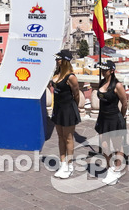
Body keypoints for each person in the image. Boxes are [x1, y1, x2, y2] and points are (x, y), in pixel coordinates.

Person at [95, 59, 128, 185]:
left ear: (112, 71)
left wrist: (121, 117)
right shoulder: (102, 82)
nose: (103, 71)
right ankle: (110, 168)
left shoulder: (117, 85)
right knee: (104, 145)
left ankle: (117, 169)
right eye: (102, 69)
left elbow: (124, 103)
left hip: (114, 117)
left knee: (117, 145)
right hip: (103, 117)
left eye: (105, 70)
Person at [50, 50, 80, 179]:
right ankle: (62, 163)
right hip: (58, 108)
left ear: (65, 60)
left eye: (59, 59)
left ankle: (70, 165)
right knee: (60, 137)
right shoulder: (57, 73)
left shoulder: (71, 77)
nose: (57, 60)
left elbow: (76, 94)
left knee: (68, 138)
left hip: (68, 109)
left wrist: (74, 108)